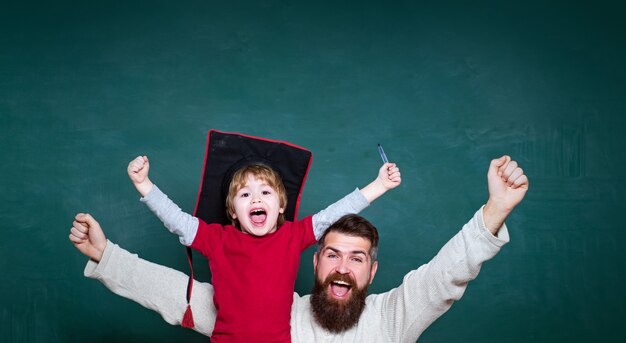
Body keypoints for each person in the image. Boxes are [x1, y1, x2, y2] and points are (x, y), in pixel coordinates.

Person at [70, 155, 528, 342]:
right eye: (333, 253)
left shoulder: (393, 317)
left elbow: (447, 274)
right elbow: (184, 297)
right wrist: (106, 254)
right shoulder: (278, 315)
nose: (343, 267)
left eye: (357, 257)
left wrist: (495, 210)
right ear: (313, 260)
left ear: (373, 271)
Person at [120, 149, 399, 343]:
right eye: (244, 194)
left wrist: (379, 185)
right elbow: (177, 220)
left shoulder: (294, 235)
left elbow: (334, 213)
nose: (255, 199)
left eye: (265, 192)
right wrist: (144, 185)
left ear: (280, 207)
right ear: (232, 211)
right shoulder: (217, 239)